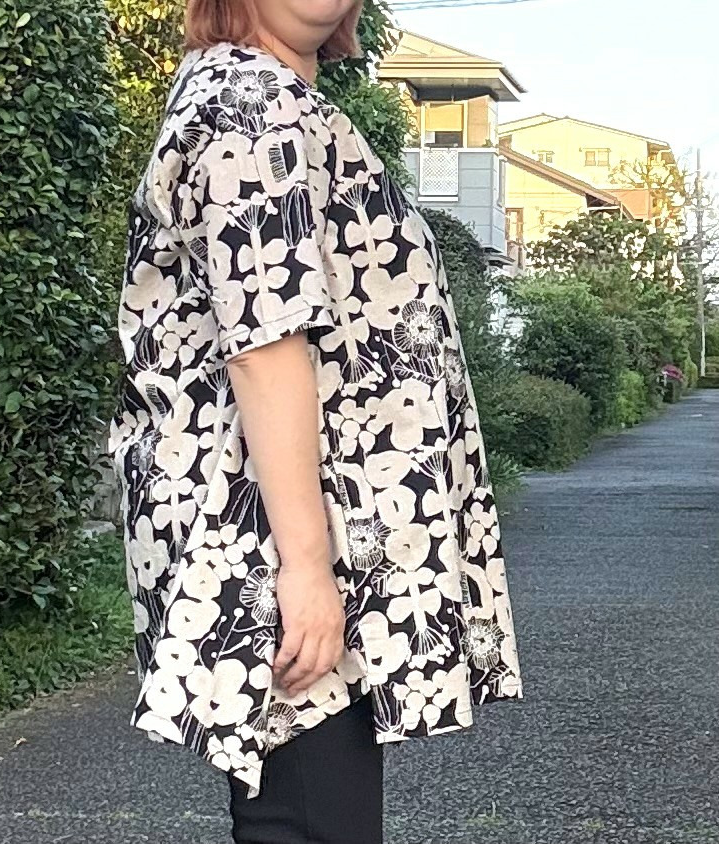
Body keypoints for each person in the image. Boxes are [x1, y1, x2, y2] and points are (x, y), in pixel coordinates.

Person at [107, 1, 524, 841]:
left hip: (312, 524)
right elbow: (263, 343)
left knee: (311, 816)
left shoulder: (272, 97)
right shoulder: (248, 102)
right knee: (310, 821)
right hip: (275, 531)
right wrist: (304, 569)